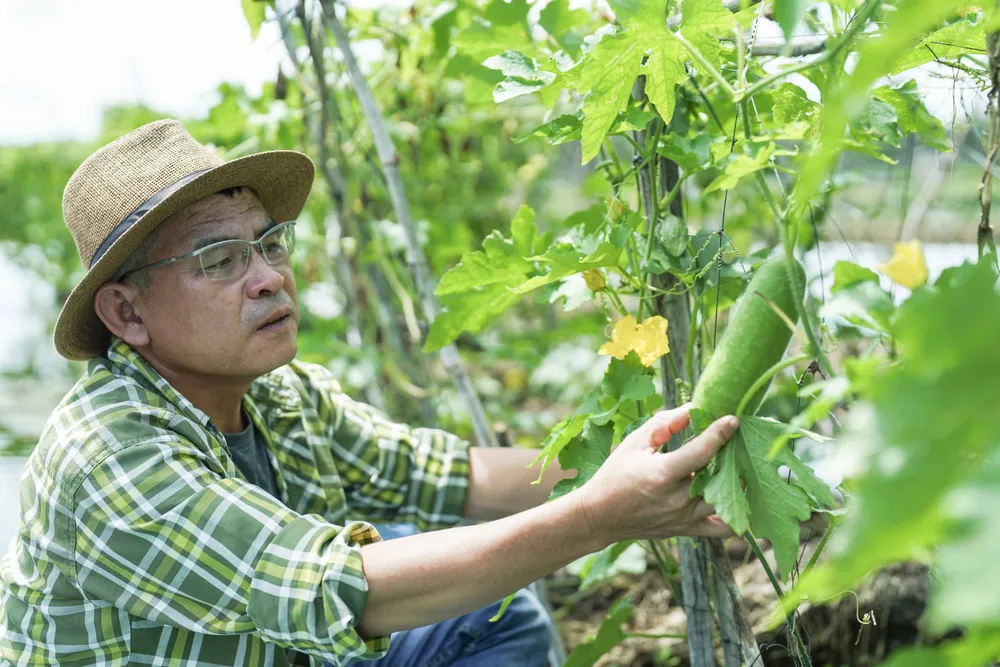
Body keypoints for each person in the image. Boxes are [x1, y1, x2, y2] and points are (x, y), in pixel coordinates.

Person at [0, 120, 738, 666]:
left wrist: (660, 458)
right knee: (402, 579)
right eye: (220, 259)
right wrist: (599, 515)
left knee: (494, 614)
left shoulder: (281, 398)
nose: (269, 277)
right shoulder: (108, 457)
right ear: (127, 314)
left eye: (270, 243)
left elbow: (448, 475)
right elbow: (343, 591)